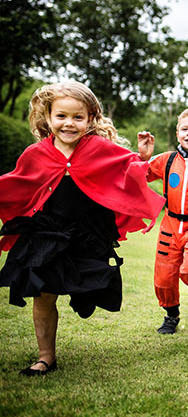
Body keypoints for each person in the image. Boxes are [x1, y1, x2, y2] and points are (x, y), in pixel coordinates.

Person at [0, 81, 165, 376]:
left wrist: (141, 158)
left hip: (87, 233)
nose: (69, 123)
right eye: (61, 116)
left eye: (78, 117)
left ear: (90, 120)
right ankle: (45, 356)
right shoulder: (36, 153)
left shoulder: (99, 148)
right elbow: (17, 183)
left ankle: (82, 298)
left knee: (88, 290)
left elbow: (128, 173)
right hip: (46, 233)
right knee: (44, 293)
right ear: (48, 117)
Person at [137, 108, 188, 335]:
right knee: (164, 277)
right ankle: (171, 316)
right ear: (177, 133)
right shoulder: (167, 160)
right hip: (169, 225)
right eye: (185, 129)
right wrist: (143, 157)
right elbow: (140, 174)